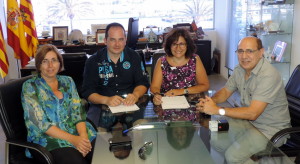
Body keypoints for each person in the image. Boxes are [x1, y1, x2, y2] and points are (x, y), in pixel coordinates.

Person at [197, 36, 291, 163]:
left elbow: (252, 113)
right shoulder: (240, 69)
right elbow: (225, 91)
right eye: (240, 51)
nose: (244, 56)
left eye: (249, 51)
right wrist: (210, 101)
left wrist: (217, 110)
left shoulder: (268, 75)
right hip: (247, 123)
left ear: (261, 52)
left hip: (269, 130)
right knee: (215, 138)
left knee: (233, 156)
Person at [21, 44, 97, 164]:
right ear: (39, 65)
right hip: (48, 139)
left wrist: (83, 138)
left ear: (60, 63)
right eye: (45, 61)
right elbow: (42, 124)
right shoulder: (30, 87)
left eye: (54, 60)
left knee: (101, 154)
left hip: (75, 131)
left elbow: (77, 112)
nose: (50, 66)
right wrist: (74, 140)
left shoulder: (68, 81)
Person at [81, 22, 149, 131]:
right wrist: (106, 100)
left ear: (125, 40)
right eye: (112, 39)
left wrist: (135, 95)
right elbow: (87, 92)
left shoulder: (134, 57)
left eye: (121, 39)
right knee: (96, 135)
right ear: (105, 40)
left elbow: (143, 82)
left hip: (130, 105)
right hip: (103, 106)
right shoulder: (93, 61)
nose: (117, 44)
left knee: (141, 129)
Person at [150, 28, 209, 105]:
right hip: (168, 102)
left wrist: (182, 91)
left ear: (187, 45)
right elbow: (154, 87)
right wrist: (157, 95)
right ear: (169, 46)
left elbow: (205, 85)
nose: (178, 48)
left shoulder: (195, 59)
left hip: (191, 103)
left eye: (182, 44)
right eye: (174, 44)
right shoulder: (161, 61)